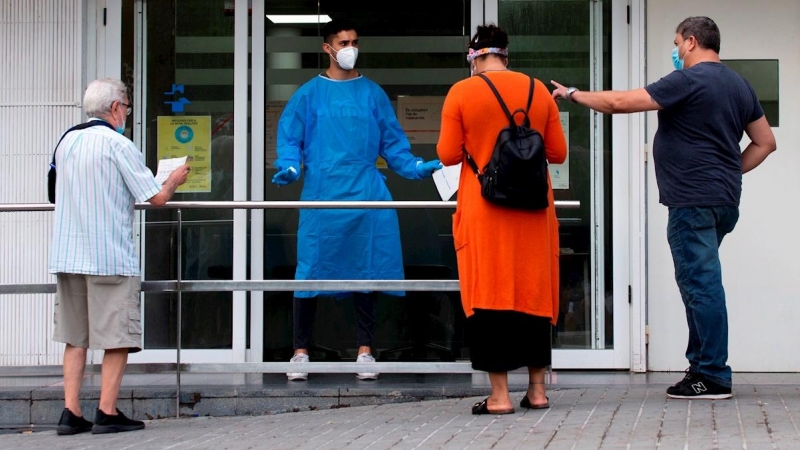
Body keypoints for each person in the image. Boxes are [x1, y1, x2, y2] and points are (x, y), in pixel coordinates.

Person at [551, 16, 776, 399]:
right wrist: (727, 172)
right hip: (722, 201)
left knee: (701, 286)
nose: (674, 51)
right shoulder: (739, 85)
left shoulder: (688, 80)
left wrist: (573, 94)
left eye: (676, 43)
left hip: (692, 202)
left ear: (690, 42)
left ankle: (713, 375)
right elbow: (765, 142)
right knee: (698, 283)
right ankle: (701, 368)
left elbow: (621, 103)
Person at [272, 19, 442, 381]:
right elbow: (290, 139)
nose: (351, 47)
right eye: (344, 41)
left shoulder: (372, 94)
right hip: (323, 195)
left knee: (367, 270)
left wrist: (415, 166)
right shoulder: (308, 95)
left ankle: (366, 349)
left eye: (355, 41)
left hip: (366, 194)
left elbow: (394, 145)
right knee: (310, 271)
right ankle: (300, 351)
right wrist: (288, 166)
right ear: (327, 48)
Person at [436, 24, 567, 415]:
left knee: (490, 295)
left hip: (485, 212)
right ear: (506, 55)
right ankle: (538, 390)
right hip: (534, 212)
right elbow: (557, 152)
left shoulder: (462, 92)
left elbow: (446, 154)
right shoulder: (539, 90)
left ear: (474, 57)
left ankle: (499, 396)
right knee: (533, 293)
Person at [49, 78, 190, 434]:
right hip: (108, 255)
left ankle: (70, 411)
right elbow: (155, 198)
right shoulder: (118, 144)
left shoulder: (66, 141)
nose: (126, 112)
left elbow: (52, 191)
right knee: (118, 337)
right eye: (126, 106)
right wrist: (173, 179)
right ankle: (107, 411)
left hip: (68, 254)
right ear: (115, 108)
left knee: (75, 336)